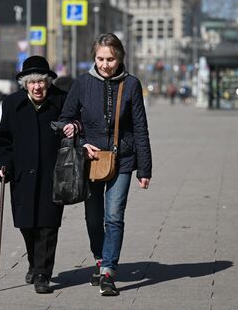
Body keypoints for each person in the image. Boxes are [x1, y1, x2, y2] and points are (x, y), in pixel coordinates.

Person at [60, 33, 152, 296]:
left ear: (119, 57)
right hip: (90, 160)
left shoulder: (132, 85)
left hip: (122, 160)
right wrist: (79, 140)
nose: (105, 64)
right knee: (93, 218)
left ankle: (108, 271)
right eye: (100, 59)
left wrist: (144, 169)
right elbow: (65, 118)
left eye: (110, 59)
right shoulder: (82, 84)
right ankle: (100, 258)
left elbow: (140, 129)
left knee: (113, 216)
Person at [0, 55, 75, 294]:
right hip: (22, 176)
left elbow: (77, 124)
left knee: (48, 225)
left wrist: (74, 129)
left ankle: (42, 274)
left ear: (48, 82)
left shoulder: (62, 101)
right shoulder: (12, 104)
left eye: (42, 82)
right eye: (33, 82)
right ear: (25, 83)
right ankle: (34, 264)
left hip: (53, 175)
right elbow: (1, 141)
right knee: (27, 225)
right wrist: (2, 164)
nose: (38, 87)